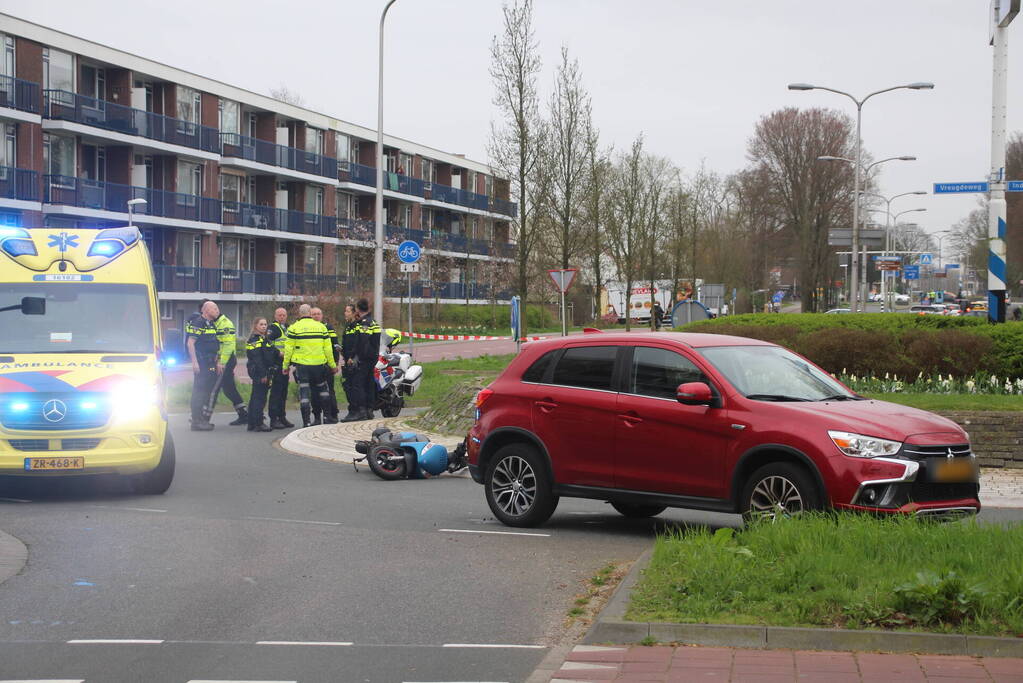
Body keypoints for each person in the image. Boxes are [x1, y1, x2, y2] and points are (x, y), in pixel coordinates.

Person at [283, 303, 338, 427]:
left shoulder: (293, 328)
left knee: (304, 392)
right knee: (323, 390)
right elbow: (328, 349)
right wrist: (332, 364)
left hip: (302, 366)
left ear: (299, 313)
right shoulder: (321, 327)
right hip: (319, 365)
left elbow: (288, 349)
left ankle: (306, 422)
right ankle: (326, 417)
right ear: (310, 313)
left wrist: (285, 366)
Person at [343, 297, 381, 422]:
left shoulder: (365, 323)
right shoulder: (373, 321)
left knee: (358, 384)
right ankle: (369, 410)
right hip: (372, 357)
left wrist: (353, 356)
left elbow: (362, 341)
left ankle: (361, 411)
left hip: (364, 358)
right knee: (368, 384)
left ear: (358, 309)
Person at [210, 306, 248, 426]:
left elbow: (228, 345)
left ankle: (204, 417)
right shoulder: (215, 323)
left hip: (226, 360)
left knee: (214, 388)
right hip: (223, 360)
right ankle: (243, 413)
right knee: (229, 389)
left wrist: (222, 362)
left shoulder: (225, 324)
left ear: (216, 310)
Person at [186, 300, 220, 431]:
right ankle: (196, 421)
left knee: (206, 390)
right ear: (206, 310)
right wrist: (194, 362)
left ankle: (201, 419)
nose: (217, 311)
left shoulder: (211, 324)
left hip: (210, 363)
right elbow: (190, 343)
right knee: (199, 391)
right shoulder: (199, 322)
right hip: (202, 363)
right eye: (214, 308)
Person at [310, 306, 340, 424]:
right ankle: (317, 417)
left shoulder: (328, 327)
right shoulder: (308, 329)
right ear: (310, 316)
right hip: (313, 365)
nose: (316, 316)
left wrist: (335, 363)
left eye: (318, 314)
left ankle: (333, 414)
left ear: (322, 316)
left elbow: (335, 345)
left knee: (330, 390)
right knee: (314, 392)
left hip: (327, 365)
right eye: (314, 314)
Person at [244, 317, 275, 432]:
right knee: (259, 398)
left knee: (255, 397)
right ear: (255, 326)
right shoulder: (255, 340)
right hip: (259, 371)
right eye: (261, 324)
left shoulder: (263, 339)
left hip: (263, 370)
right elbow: (257, 359)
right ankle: (258, 423)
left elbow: (271, 352)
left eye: (265, 324)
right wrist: (263, 374)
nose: (264, 326)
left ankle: (252, 423)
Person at [266, 307, 294, 430]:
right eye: (280, 315)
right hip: (277, 364)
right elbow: (268, 343)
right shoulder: (273, 328)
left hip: (285, 364)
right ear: (275, 316)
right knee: (276, 393)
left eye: (284, 315)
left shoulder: (287, 327)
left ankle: (282, 417)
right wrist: (278, 353)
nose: (282, 317)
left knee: (283, 392)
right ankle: (274, 419)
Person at [339, 303, 359, 420]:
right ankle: (352, 410)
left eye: (347, 311)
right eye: (345, 311)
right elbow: (346, 342)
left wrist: (351, 356)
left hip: (354, 360)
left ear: (354, 313)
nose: (345, 313)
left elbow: (357, 343)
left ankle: (355, 411)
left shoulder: (357, 325)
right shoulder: (347, 326)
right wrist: (342, 350)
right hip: (347, 360)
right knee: (347, 386)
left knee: (353, 386)